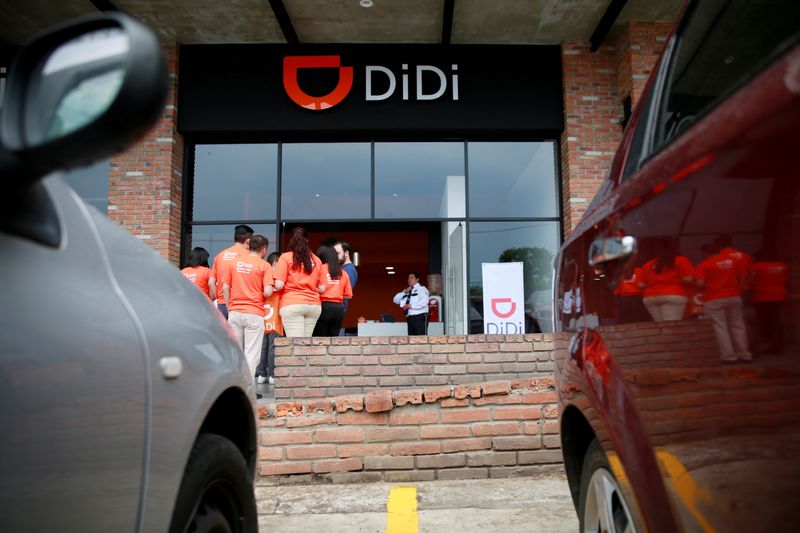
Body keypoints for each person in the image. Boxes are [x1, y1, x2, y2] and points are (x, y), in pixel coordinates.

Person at [221, 234, 273, 381]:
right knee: (251, 354)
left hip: (235, 312)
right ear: (264, 249)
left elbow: (225, 287)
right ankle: (247, 389)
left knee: (236, 352)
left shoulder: (234, 263)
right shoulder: (264, 265)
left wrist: (230, 307)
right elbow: (268, 291)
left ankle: (234, 386)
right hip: (254, 313)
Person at [696, 241, 751, 363]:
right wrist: (738, 290)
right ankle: (744, 354)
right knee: (738, 325)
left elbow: (700, 283)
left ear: (705, 253)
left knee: (720, 327)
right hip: (734, 296)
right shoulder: (733, 261)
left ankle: (728, 356)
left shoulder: (704, 264)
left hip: (713, 298)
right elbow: (742, 277)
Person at [274, 227, 326, 337]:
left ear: (292, 240)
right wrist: (310, 287)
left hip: (292, 304)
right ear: (307, 241)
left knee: (295, 345)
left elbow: (279, 285)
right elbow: (322, 288)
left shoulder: (285, 257)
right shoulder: (316, 260)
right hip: (313, 305)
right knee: (305, 345)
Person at [637, 240, 694, 321]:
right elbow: (688, 279)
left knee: (661, 327)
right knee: (671, 326)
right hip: (674, 295)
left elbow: (641, 285)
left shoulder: (647, 265)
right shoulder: (681, 260)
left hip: (651, 297)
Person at [209, 224, 254, 319]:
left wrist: (218, 298)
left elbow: (211, 282)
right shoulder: (249, 256)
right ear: (248, 241)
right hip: (241, 305)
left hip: (222, 305)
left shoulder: (219, 255)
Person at [750, 250, 788, 355]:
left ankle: (768, 345)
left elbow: (752, 281)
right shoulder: (782, 266)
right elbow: (785, 280)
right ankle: (778, 345)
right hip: (779, 296)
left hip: (762, 297)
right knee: (776, 321)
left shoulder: (756, 266)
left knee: (764, 322)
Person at [313, 245, 353, 337]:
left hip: (323, 306)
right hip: (338, 309)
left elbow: (312, 286)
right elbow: (348, 295)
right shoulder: (343, 273)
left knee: (319, 340)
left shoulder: (319, 269)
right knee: (333, 341)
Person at [257, 252, 283, 385]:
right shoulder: (277, 279)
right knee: (273, 346)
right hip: (275, 317)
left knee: (263, 346)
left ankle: (261, 374)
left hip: (262, 315)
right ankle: (273, 375)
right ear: (275, 263)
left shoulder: (261, 275)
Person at [334, 241, 358, 325]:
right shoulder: (343, 269)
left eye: (337, 253)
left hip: (338, 307)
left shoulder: (349, 270)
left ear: (346, 253)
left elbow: (346, 291)